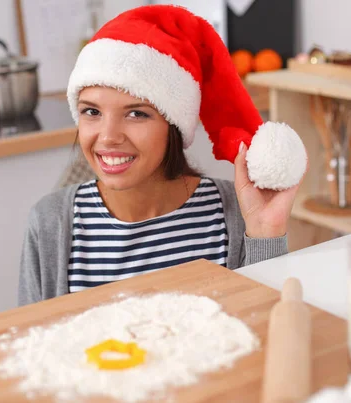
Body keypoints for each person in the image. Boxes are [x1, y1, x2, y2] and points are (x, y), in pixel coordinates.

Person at [18, 4, 306, 306]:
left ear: (174, 126)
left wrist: (265, 233)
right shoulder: (50, 223)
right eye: (92, 111)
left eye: (136, 114)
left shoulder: (234, 214)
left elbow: (268, 327)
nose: (108, 136)